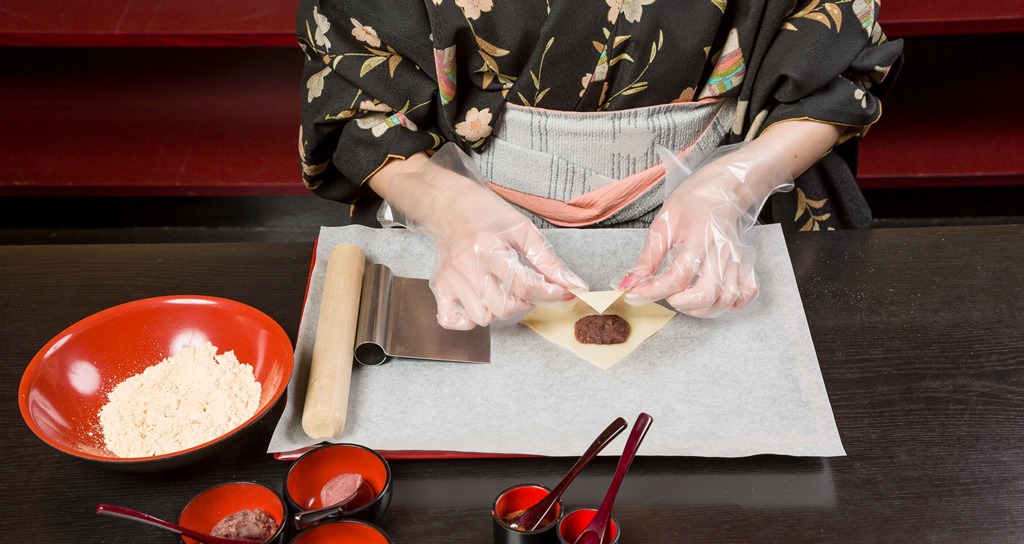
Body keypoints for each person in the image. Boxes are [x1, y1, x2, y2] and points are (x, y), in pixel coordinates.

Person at [297, 1, 902, 329]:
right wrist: (446, 204)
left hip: (730, 211)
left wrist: (734, 185)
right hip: (464, 223)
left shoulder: (734, 188)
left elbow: (841, 50)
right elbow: (351, 88)